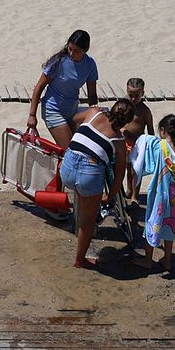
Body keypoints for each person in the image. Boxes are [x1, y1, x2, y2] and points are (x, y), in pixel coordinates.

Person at [58, 99, 136, 269]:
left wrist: (93, 111)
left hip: (67, 169)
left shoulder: (94, 113)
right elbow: (119, 175)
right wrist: (110, 196)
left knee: (82, 191)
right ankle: (80, 260)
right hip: (88, 174)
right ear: (127, 122)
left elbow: (75, 118)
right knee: (88, 221)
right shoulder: (118, 141)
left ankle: (85, 200)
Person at [129, 113, 175, 271]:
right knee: (169, 224)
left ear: (162, 131)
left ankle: (148, 260)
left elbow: (143, 148)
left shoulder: (159, 147)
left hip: (160, 195)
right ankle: (167, 259)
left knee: (153, 222)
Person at [26, 30, 98, 150]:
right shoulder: (58, 62)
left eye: (76, 51)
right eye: (70, 49)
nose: (71, 53)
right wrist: (32, 115)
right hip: (53, 109)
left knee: (81, 147)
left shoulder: (90, 64)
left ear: (85, 50)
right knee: (70, 150)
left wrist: (94, 113)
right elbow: (39, 87)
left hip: (72, 110)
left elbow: (92, 94)